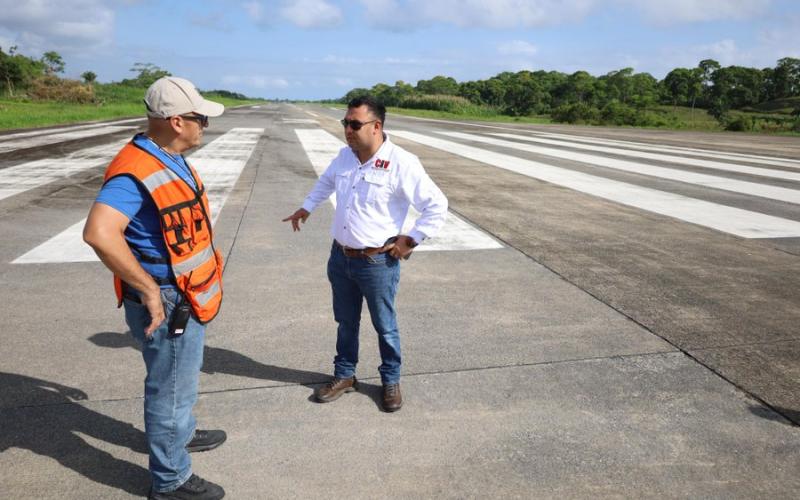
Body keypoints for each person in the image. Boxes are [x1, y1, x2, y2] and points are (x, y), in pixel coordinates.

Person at [84, 77, 227, 500]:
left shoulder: (167, 155)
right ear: (177, 121)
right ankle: (170, 480)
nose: (206, 125)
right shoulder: (135, 170)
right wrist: (147, 289)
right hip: (167, 300)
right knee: (170, 391)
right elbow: (99, 233)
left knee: (178, 385)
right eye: (201, 118)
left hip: (187, 292)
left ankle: (177, 434)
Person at [283, 96, 448, 412]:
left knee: (384, 325)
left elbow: (436, 206)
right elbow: (326, 182)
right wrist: (306, 207)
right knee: (345, 322)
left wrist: (410, 240)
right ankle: (345, 375)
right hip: (340, 257)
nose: (347, 129)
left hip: (377, 263)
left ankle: (390, 380)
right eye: (345, 123)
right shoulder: (345, 157)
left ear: (376, 126)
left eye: (354, 124)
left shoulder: (402, 162)